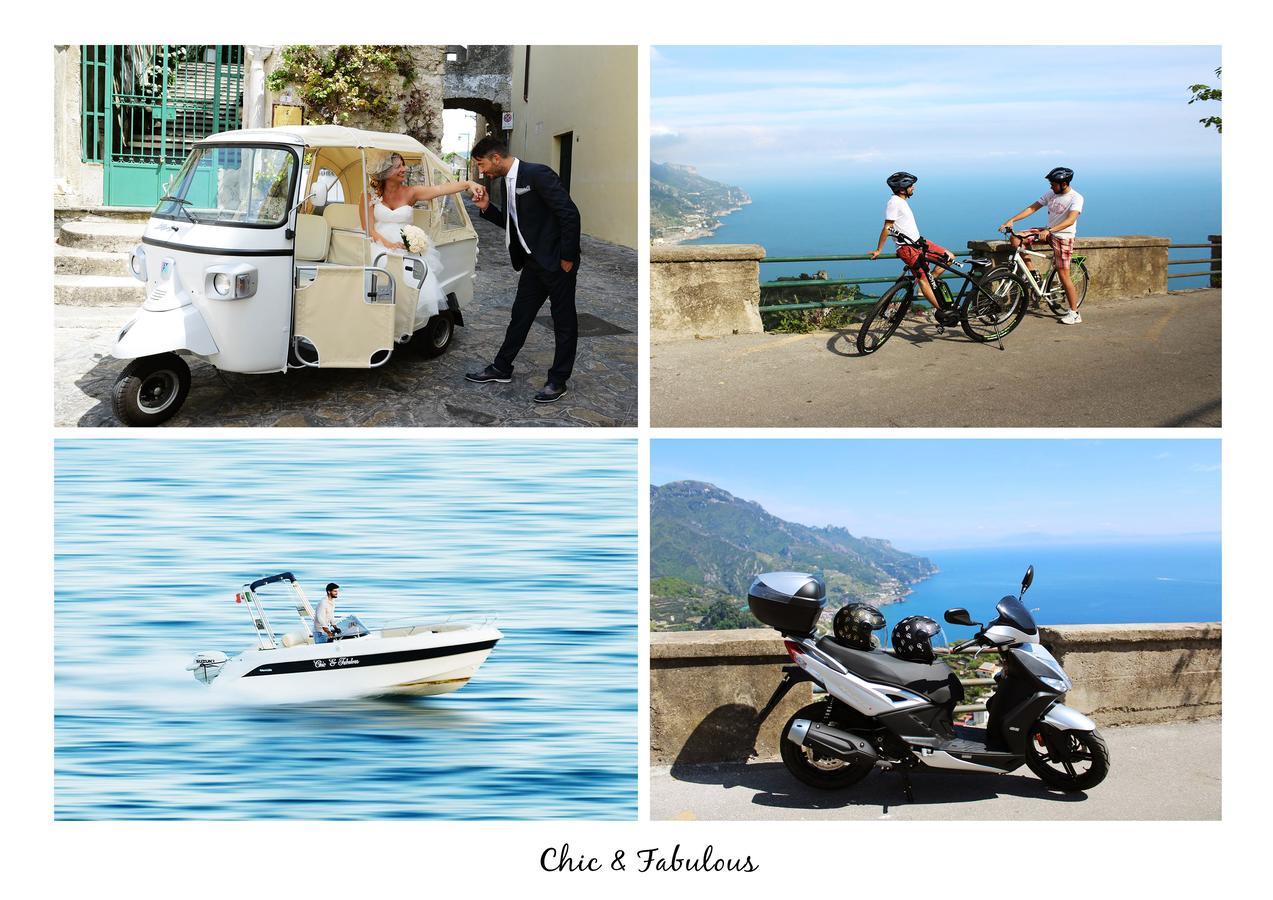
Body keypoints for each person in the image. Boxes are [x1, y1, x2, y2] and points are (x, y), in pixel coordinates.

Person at [464, 135, 582, 404]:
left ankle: (557, 380)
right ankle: (502, 367)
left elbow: (569, 214)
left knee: (563, 322)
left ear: (496, 158)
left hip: (557, 264)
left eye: (482, 165)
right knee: (520, 316)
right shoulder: (507, 183)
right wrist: (486, 209)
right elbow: (514, 224)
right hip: (532, 265)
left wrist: (567, 258)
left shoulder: (537, 174)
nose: (481, 171)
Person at [359, 152, 484, 322]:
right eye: (399, 166)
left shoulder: (411, 192)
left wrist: (468, 183)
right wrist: (388, 245)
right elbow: (368, 228)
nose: (405, 169)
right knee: (378, 267)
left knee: (411, 276)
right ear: (385, 172)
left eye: (404, 164)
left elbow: (440, 190)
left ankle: (401, 319)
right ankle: (375, 318)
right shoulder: (368, 195)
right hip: (378, 242)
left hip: (405, 245)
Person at [999, 166, 1085, 325]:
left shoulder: (1076, 198)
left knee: (1063, 274)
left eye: (1053, 183)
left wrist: (1050, 230)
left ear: (1064, 183)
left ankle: (1074, 312)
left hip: (1063, 237)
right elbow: (1033, 207)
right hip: (1047, 232)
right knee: (1017, 239)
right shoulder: (1051, 194)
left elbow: (1071, 220)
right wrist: (1012, 220)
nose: (1051, 186)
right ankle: (1032, 273)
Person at [869, 172, 955, 321]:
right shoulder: (894, 202)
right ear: (902, 189)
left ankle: (929, 281)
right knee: (922, 279)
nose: (913, 188)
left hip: (920, 243)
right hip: (908, 248)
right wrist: (879, 249)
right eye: (910, 186)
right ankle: (943, 312)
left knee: (949, 257)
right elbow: (887, 227)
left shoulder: (901, 201)